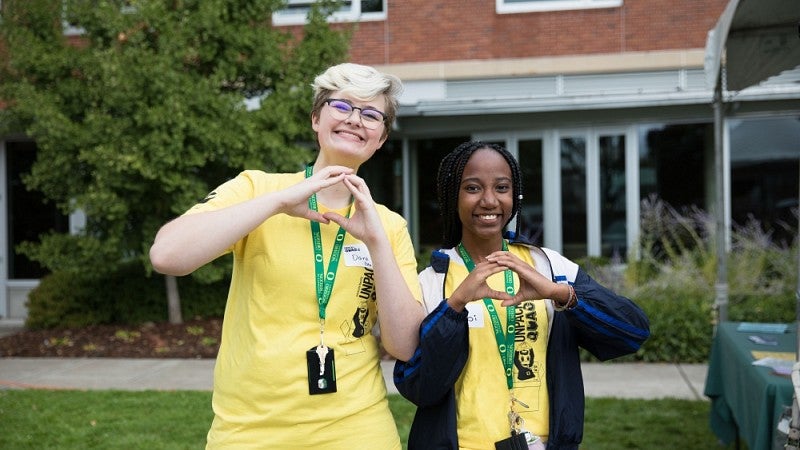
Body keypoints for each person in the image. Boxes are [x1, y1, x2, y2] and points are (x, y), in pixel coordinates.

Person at [149, 62, 425, 449]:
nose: (355, 120)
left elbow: (406, 345)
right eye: (342, 106)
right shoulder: (258, 189)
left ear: (380, 138)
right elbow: (167, 255)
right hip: (250, 429)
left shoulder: (389, 226)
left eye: (371, 114)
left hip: (356, 427)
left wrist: (377, 243)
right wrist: (277, 203)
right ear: (316, 118)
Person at [393, 141, 650, 450]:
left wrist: (561, 294)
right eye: (473, 188)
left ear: (514, 196)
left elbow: (632, 332)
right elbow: (415, 385)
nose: (489, 200)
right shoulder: (432, 282)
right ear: (453, 197)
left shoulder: (550, 267)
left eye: (502, 187)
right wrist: (454, 306)